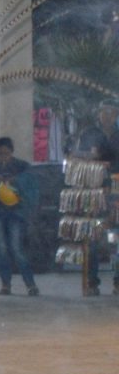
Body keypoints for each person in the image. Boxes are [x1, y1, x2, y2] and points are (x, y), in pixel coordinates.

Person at [0, 137, 39, 296]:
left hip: (16, 212)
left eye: (7, 153)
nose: (4, 156)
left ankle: (30, 284)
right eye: (1, 153)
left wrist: (14, 180)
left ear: (11, 152)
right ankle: (6, 284)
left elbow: (31, 180)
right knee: (1, 249)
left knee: (17, 248)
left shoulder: (21, 166)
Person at [72, 99, 119, 294]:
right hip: (94, 193)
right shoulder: (89, 133)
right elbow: (76, 156)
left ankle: (118, 282)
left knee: (117, 239)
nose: (107, 115)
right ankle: (91, 282)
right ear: (99, 113)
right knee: (92, 238)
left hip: (117, 194)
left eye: (111, 112)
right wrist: (89, 156)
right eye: (104, 112)